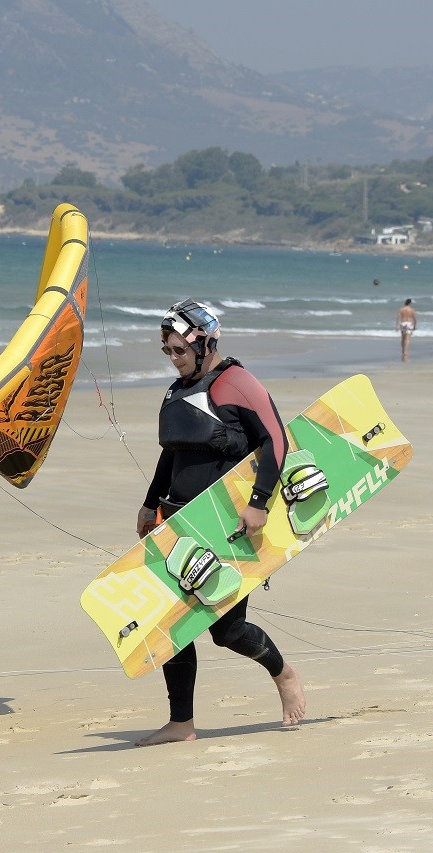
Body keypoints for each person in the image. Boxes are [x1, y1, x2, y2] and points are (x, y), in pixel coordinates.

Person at [133, 300, 306, 746]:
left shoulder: (237, 383)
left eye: (178, 349)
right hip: (176, 522)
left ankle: (284, 675)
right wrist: (150, 503)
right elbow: (171, 452)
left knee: (225, 632)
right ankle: (181, 723)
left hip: (225, 526)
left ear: (205, 341)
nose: (173, 358)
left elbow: (276, 441)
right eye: (167, 350)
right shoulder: (178, 391)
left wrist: (260, 502)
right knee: (170, 623)